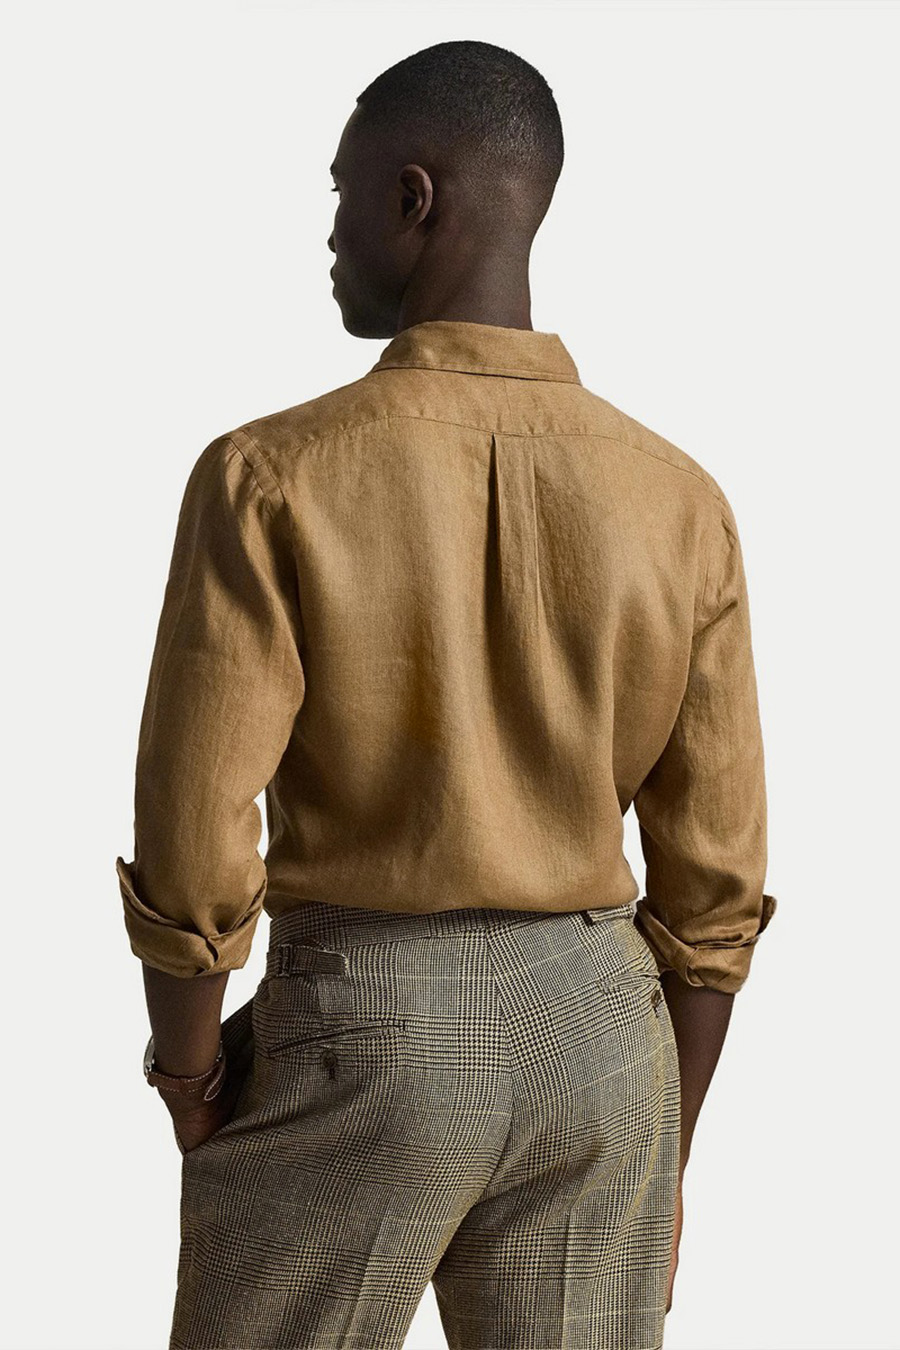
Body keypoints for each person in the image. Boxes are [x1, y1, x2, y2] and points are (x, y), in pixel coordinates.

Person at [116, 38, 777, 1350]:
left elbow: (196, 832)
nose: (331, 233)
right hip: (604, 1037)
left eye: (343, 193)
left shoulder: (270, 476)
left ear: (415, 198)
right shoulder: (680, 500)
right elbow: (717, 885)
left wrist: (188, 1073)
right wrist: (665, 1141)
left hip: (364, 1023)